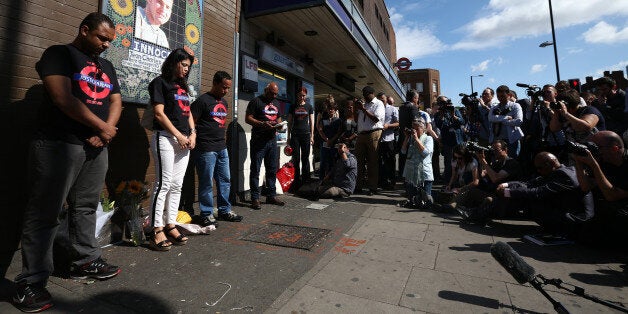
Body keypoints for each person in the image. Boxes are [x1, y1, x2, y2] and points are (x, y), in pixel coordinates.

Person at [14, 13, 121, 313]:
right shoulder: (59, 54)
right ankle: (30, 283)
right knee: (46, 212)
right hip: (58, 144)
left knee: (86, 207)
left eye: (110, 41)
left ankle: (85, 260)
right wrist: (101, 127)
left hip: (96, 147)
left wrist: (107, 132)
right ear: (84, 30)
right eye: (101, 38)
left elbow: (115, 101)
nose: (105, 45)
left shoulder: (106, 66)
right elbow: (62, 97)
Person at [147, 48, 196, 251]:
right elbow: (159, 114)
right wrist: (178, 135)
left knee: (177, 185)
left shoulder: (183, 87)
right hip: (166, 138)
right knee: (164, 183)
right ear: (173, 62)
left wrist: (193, 133)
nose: (186, 69)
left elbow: (188, 112)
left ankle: (170, 224)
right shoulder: (160, 83)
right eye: (183, 65)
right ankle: (155, 229)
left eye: (189, 67)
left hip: (184, 141)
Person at [190, 71, 242, 227]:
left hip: (221, 148)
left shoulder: (224, 103)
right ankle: (206, 213)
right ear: (215, 83)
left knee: (225, 181)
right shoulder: (202, 101)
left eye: (228, 88)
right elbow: (190, 121)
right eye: (224, 87)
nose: (226, 91)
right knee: (206, 183)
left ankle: (224, 210)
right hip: (206, 148)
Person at [496, 152, 594, 235]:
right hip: (565, 209)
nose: (538, 171)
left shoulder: (565, 176)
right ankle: (495, 208)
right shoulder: (556, 171)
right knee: (522, 191)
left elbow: (538, 192)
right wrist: (506, 185)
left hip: (576, 219)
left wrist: (508, 192)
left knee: (532, 198)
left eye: (540, 168)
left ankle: (495, 209)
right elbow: (529, 183)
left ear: (550, 164)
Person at [573, 130, 628, 242]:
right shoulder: (603, 160)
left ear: (615, 148)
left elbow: (612, 196)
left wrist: (594, 166)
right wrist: (578, 161)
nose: (592, 151)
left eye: (596, 147)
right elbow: (585, 186)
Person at [456, 140, 521, 223]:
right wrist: (479, 160)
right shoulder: (497, 163)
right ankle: (452, 206)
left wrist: (483, 161)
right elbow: (482, 175)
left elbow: (495, 178)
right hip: (493, 193)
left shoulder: (511, 163)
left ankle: (473, 215)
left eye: (496, 150)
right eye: (492, 150)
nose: (494, 153)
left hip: (505, 200)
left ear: (505, 150)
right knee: (470, 190)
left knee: (489, 200)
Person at [245, 82, 285, 210]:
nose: (274, 96)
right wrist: (262, 124)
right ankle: (255, 198)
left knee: (272, 169)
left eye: (276, 94)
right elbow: (248, 118)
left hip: (272, 140)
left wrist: (280, 125)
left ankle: (271, 195)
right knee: (255, 169)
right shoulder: (256, 101)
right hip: (259, 140)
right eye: (272, 93)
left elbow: (278, 118)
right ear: (266, 90)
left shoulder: (276, 103)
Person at [354, 86, 385, 195]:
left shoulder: (378, 104)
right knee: (359, 162)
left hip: (374, 133)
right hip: (361, 134)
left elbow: (376, 118)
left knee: (372, 162)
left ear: (372, 93)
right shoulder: (364, 104)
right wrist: (356, 108)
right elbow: (356, 120)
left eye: (365, 94)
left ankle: (372, 188)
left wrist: (363, 109)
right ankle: (358, 186)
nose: (364, 96)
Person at [399, 118, 434, 209]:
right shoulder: (410, 138)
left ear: (423, 129)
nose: (414, 131)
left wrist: (417, 139)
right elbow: (403, 151)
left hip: (424, 174)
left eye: (417, 129)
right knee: (413, 200)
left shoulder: (428, 138)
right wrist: (407, 137)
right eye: (413, 129)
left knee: (427, 201)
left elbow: (425, 153)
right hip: (411, 173)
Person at [287, 87, 314, 188]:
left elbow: (312, 122)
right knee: (296, 158)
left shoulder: (309, 106)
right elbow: (289, 122)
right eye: (300, 95)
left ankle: (306, 180)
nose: (301, 97)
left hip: (306, 134)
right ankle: (297, 180)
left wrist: (312, 136)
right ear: (297, 95)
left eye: (303, 95)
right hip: (295, 135)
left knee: (305, 158)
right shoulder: (292, 106)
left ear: (306, 95)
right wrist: (288, 136)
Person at [433, 96, 466, 182]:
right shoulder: (438, 114)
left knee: (462, 161)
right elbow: (440, 125)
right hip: (448, 142)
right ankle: (448, 182)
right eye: (440, 102)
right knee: (449, 163)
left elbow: (462, 122)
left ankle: (461, 180)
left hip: (459, 140)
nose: (443, 104)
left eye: (444, 102)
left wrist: (453, 116)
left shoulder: (455, 110)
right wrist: (441, 115)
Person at [488, 85, 524, 158]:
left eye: (502, 96)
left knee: (511, 162)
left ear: (509, 95)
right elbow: (490, 118)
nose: (500, 98)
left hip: (511, 141)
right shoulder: (494, 107)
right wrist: (506, 118)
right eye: (498, 96)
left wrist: (501, 121)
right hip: (497, 141)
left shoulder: (515, 106)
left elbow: (519, 121)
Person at [398, 89, 420, 179]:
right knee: (410, 157)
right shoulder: (413, 107)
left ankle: (402, 176)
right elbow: (416, 123)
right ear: (414, 98)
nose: (417, 100)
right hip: (411, 136)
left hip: (402, 135)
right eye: (417, 98)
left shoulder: (402, 107)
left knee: (403, 156)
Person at [378, 95, 399, 189]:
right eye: (379, 99)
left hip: (389, 139)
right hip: (378, 139)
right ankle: (382, 181)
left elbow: (398, 123)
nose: (381, 100)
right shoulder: (376, 109)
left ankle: (392, 181)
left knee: (390, 161)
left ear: (386, 99)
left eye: (382, 99)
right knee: (380, 162)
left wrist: (388, 126)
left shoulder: (393, 109)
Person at [317, 101, 341, 179]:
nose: (331, 110)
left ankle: (332, 179)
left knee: (333, 162)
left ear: (335, 110)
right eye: (329, 109)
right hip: (324, 143)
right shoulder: (323, 119)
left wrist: (332, 140)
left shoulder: (338, 120)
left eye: (332, 109)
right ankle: (321, 180)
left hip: (334, 143)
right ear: (327, 110)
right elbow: (320, 130)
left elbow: (339, 132)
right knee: (323, 162)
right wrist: (326, 139)